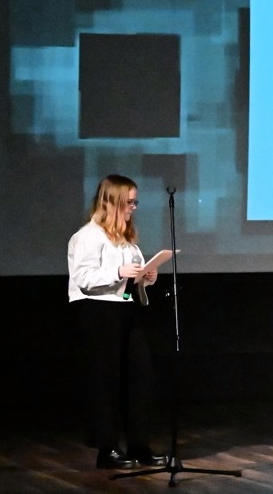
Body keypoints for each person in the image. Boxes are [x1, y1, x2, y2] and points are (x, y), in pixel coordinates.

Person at [67, 174, 167, 470]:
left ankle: (139, 445)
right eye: (129, 202)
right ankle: (107, 448)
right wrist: (119, 272)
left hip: (126, 310)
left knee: (140, 377)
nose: (133, 208)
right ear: (111, 201)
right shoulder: (88, 236)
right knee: (105, 380)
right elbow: (83, 278)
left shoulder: (126, 239)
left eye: (136, 202)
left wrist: (146, 277)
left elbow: (131, 277)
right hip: (98, 311)